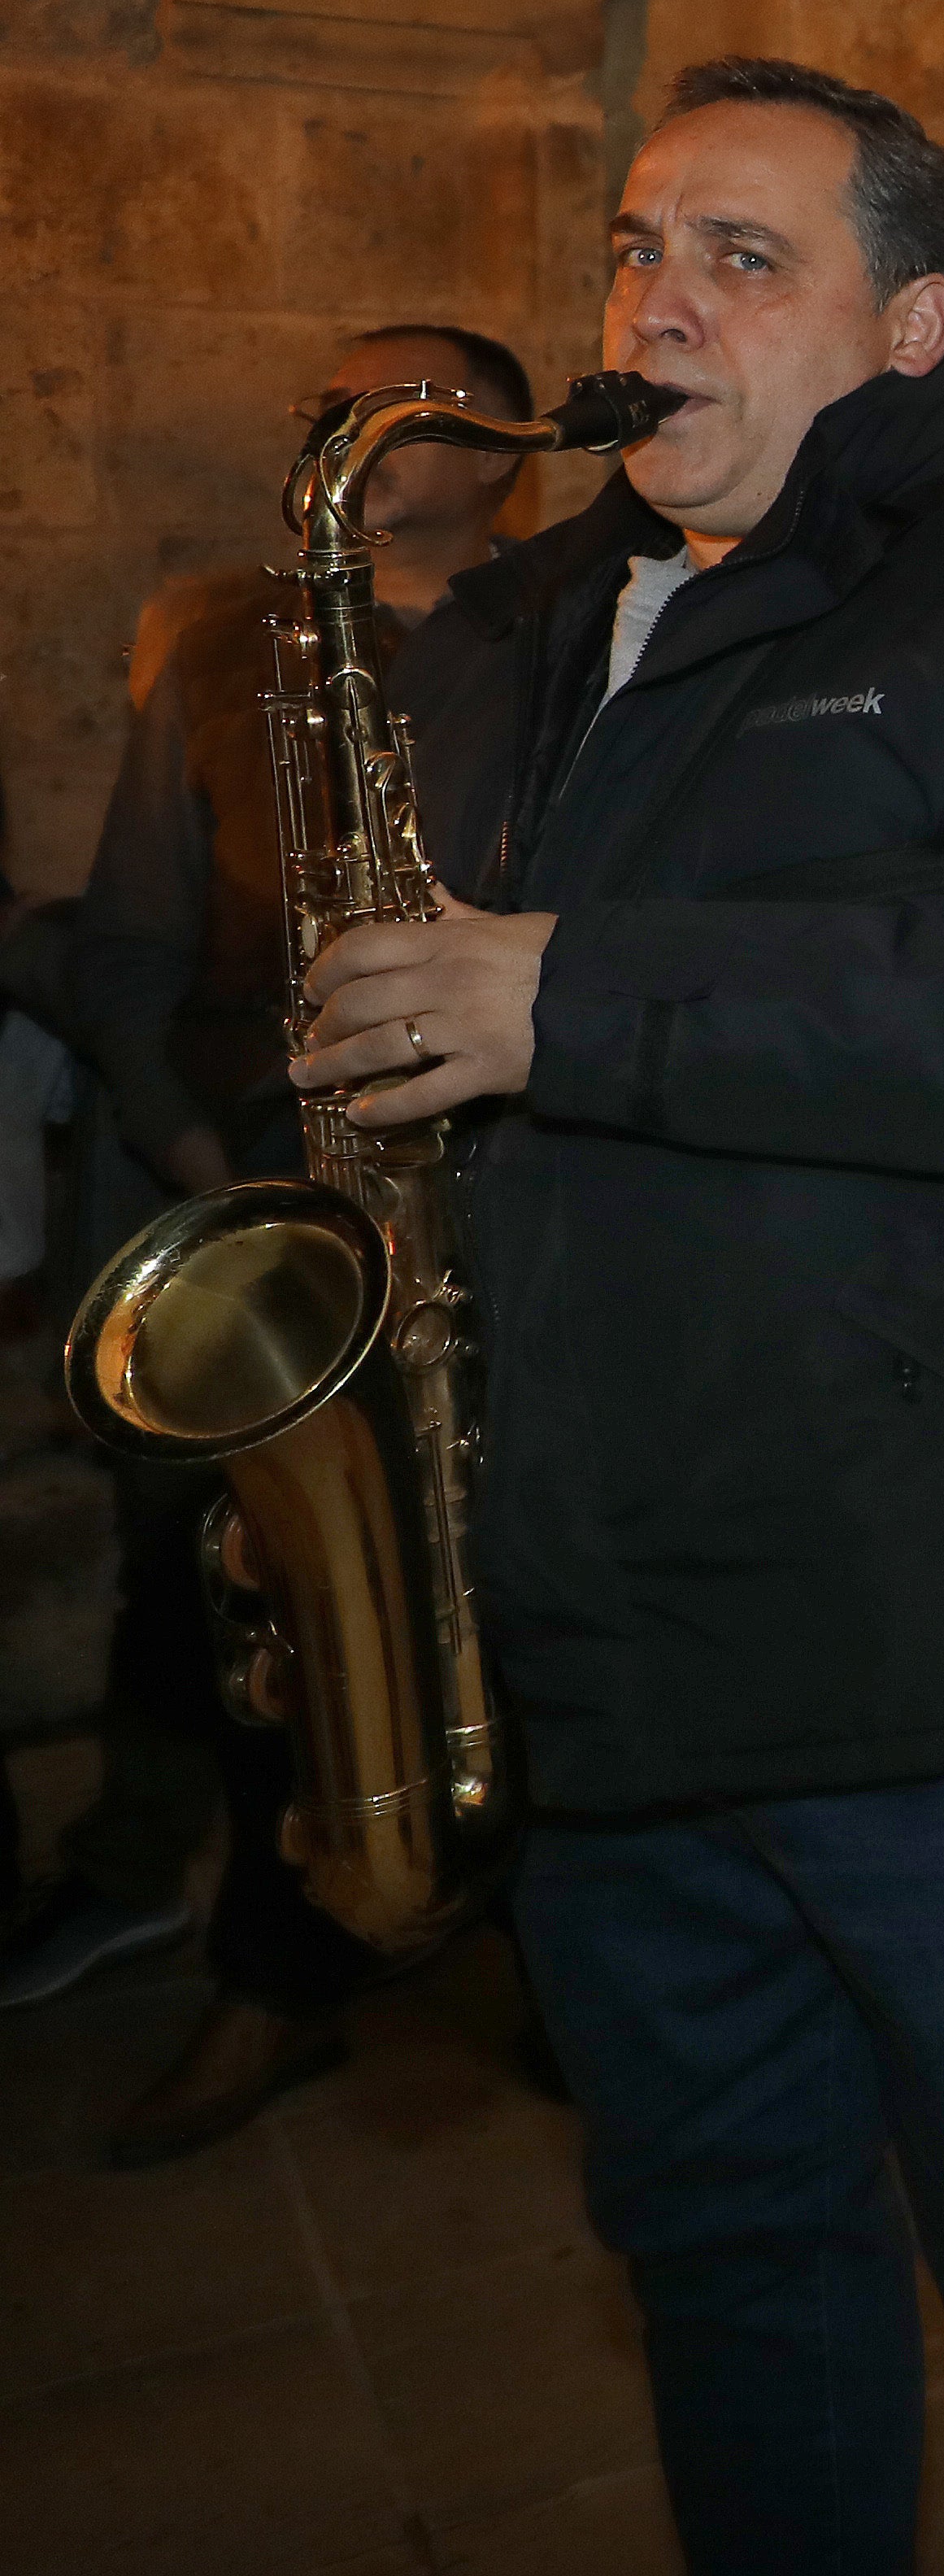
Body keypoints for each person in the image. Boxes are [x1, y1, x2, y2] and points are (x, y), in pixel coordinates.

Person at [298, 56, 944, 2572]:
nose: (659, 297)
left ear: (916, 318)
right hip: (610, 1616)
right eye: (642, 242)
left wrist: (581, 998)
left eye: (747, 254)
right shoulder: (513, 621)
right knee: (731, 2261)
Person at [9, 327, 534, 2154]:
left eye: (401, 391)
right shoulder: (227, 643)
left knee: (495, 1586)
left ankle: (530, 1930)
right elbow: (136, 939)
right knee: (252, 1615)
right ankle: (272, 1969)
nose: (347, 410)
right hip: (270, 1188)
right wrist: (194, 1162)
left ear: (496, 452)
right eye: (331, 385)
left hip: (484, 1194)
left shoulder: (562, 637)